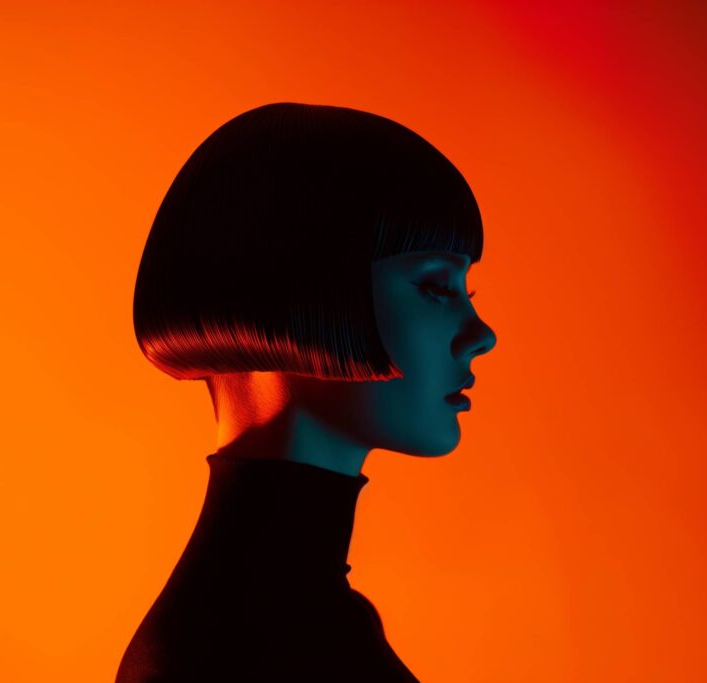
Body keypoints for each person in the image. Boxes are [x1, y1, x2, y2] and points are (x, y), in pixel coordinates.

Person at [116, 102, 497, 682]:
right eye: (436, 287)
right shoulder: (260, 645)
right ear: (300, 290)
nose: (481, 336)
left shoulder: (286, 621)